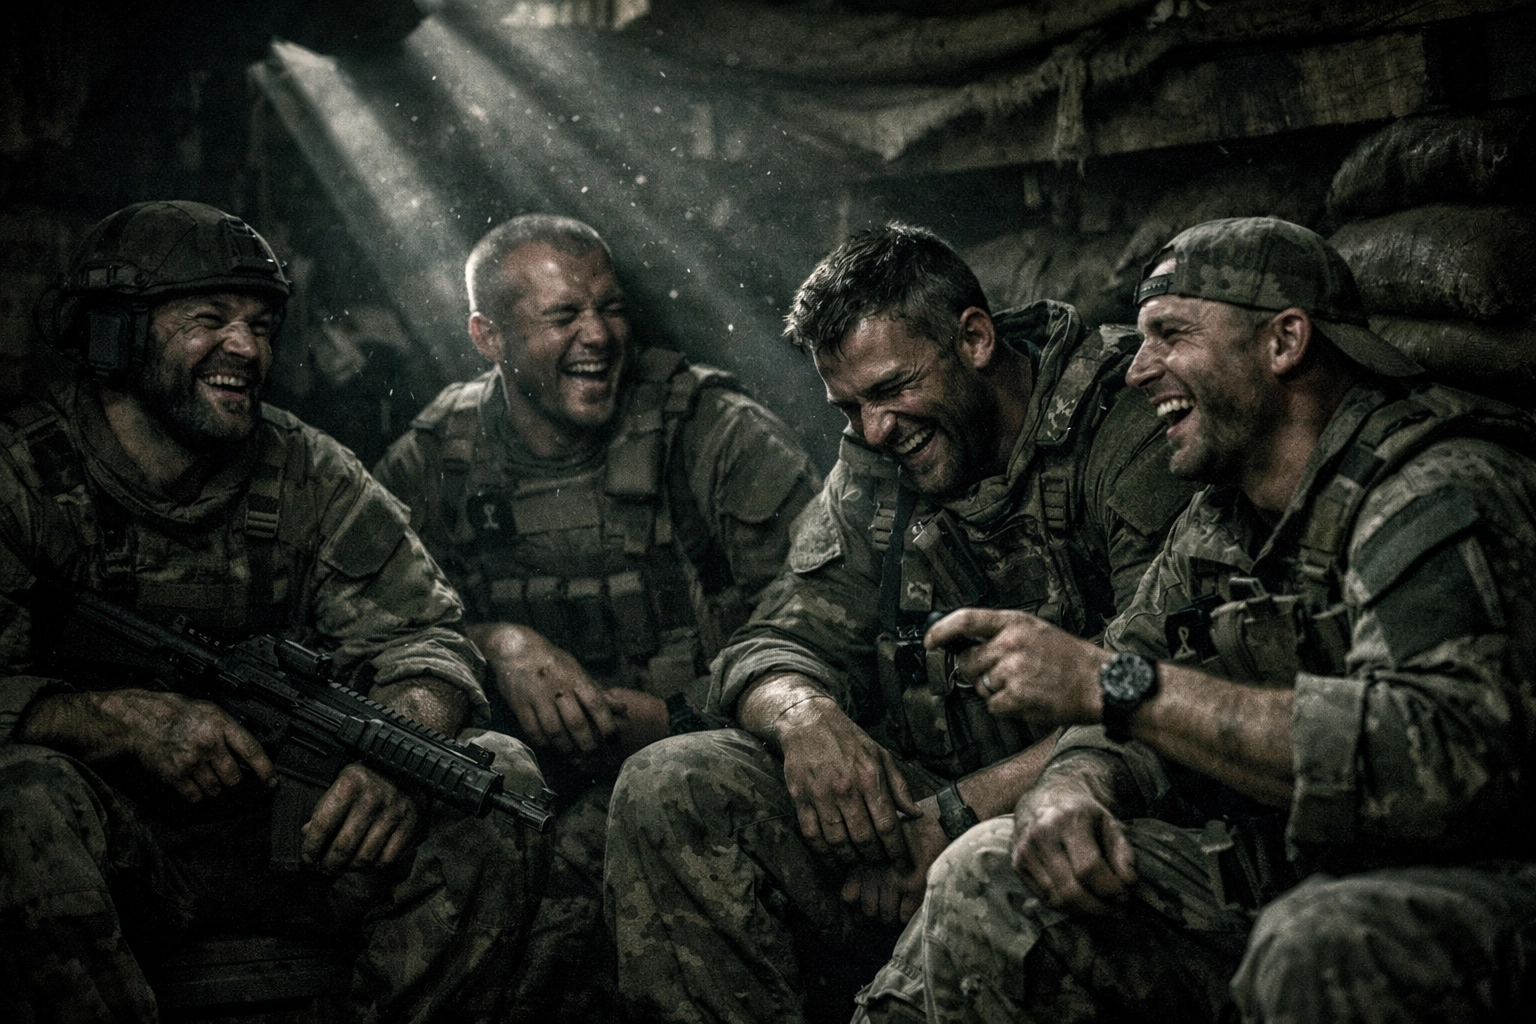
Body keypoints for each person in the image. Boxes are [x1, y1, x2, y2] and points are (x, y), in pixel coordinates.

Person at [867, 216, 1536, 1023]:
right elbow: (1115, 698)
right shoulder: (1219, 523)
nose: (1140, 369)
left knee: (1316, 943)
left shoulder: (1433, 490)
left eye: (1170, 335)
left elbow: (1442, 763)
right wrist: (1070, 791)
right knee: (995, 866)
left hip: (1478, 881)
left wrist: (1110, 684)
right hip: (1302, 869)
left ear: (1285, 341)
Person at [604, 222, 1200, 1024]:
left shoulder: (1125, 424)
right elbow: (771, 642)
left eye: (890, 390)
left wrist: (950, 820)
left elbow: (1163, 692)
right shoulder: (877, 457)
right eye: (849, 407)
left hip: (1090, 807)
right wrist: (803, 714)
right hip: (927, 811)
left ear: (976, 338)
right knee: (669, 781)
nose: (873, 429)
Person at [0, 200, 548, 1024]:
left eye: (260, 324)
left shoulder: (307, 471)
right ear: (113, 334)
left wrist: (397, 747)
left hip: (300, 835)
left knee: (495, 779)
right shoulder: (23, 479)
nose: (246, 348)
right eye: (209, 319)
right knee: (18, 799)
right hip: (116, 845)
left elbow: (428, 640)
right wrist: (113, 720)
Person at [372, 213, 821, 1019]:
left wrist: (677, 715)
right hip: (536, 797)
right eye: (562, 316)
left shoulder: (711, 431)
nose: (600, 336)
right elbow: (371, 630)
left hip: (706, 775)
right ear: (489, 336)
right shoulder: (440, 457)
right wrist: (496, 642)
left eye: (610, 308)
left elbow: (821, 624)